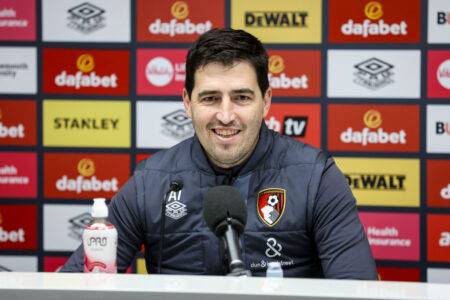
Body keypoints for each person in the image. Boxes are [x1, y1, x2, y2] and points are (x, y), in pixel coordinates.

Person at [61, 28, 377, 279]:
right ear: (187, 102)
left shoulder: (315, 177)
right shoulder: (150, 182)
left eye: (241, 97)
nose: (225, 115)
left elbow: (357, 289)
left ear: (265, 101)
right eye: (210, 98)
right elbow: (75, 284)